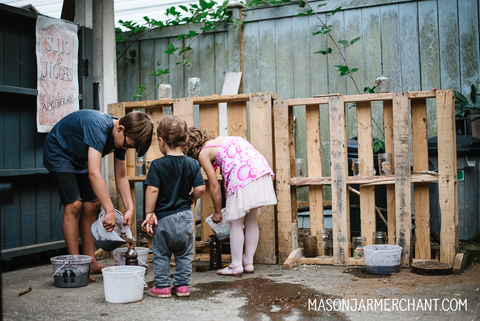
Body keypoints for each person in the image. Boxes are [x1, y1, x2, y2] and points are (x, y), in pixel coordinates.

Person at [43, 109, 155, 281]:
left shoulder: (122, 137)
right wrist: (109, 210)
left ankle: (91, 262)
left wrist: (130, 207)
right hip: (59, 151)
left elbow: (121, 176)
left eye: (130, 147)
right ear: (120, 129)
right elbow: (94, 174)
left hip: (79, 157)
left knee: (92, 205)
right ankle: (77, 265)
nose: (126, 148)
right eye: (127, 145)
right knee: (74, 205)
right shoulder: (98, 126)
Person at [186, 128, 277, 276]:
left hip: (243, 175)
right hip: (259, 170)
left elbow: (214, 186)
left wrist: (217, 212)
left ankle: (235, 265)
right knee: (251, 220)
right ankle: (248, 262)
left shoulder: (203, 153)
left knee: (235, 221)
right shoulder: (222, 139)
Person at [142, 115, 205, 298]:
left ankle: (162, 286)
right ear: (185, 140)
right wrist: (192, 198)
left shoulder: (157, 165)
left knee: (161, 254)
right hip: (185, 217)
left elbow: (153, 190)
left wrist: (149, 212)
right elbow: (201, 188)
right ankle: (182, 286)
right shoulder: (192, 164)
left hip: (163, 219)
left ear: (161, 141)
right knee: (184, 254)